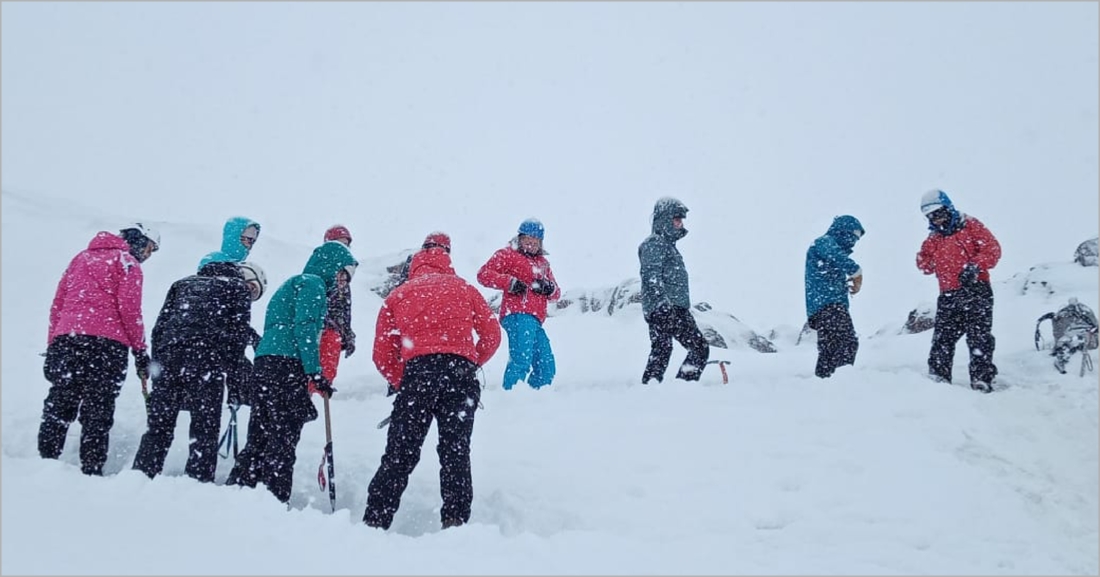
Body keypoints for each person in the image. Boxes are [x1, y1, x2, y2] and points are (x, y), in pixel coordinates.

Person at [365, 235, 501, 530]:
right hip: (460, 376)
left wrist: (403, 381)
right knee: (455, 451)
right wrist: (471, 361)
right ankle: (455, 520)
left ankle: (375, 519)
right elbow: (492, 334)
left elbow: (382, 353)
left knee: (400, 452)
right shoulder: (464, 289)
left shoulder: (399, 295)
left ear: (416, 262)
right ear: (447, 258)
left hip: (418, 375)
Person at [225, 241, 358, 503]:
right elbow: (305, 328)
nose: (344, 282)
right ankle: (274, 498)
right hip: (287, 365)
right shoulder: (313, 285)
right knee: (283, 436)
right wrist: (314, 371)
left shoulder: (294, 283)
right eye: (343, 273)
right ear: (331, 266)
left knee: (261, 431)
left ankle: (241, 489)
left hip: (267, 363)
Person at [39, 223, 160, 475]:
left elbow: (58, 304)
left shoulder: (80, 258)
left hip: (68, 339)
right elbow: (129, 310)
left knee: (61, 401)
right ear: (139, 240)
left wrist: (53, 343)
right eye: (150, 248)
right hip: (106, 346)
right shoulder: (127, 263)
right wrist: (139, 350)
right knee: (99, 408)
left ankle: (45, 463)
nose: (148, 256)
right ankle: (91, 470)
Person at [131, 261, 266, 483]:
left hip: (169, 361)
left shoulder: (182, 284)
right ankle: (197, 484)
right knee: (205, 431)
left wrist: (158, 367)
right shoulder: (236, 288)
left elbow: (160, 328)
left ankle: (140, 477)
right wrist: (234, 381)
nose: (251, 295)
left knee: (158, 429)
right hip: (207, 363)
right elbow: (237, 337)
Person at [916, 189, 1002, 392]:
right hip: (948, 294)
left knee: (978, 336)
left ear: (948, 208)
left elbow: (993, 249)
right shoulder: (934, 238)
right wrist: (931, 264)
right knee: (943, 338)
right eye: (931, 216)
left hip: (976, 291)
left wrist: (974, 266)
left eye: (938, 213)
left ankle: (982, 378)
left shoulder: (970, 225)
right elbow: (922, 262)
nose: (936, 219)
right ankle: (938, 377)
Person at [476, 219, 561, 390]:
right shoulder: (508, 255)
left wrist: (549, 288)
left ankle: (531, 400)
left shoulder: (543, 264)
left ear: (541, 242)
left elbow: (556, 294)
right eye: (527, 239)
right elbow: (483, 274)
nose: (531, 243)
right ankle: (511, 399)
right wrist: (510, 282)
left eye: (535, 240)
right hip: (517, 314)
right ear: (519, 239)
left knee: (546, 366)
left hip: (536, 320)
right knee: (521, 361)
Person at [638, 197, 710, 384]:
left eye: (681, 219)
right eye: (676, 218)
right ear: (665, 218)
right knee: (676, 347)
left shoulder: (668, 246)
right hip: (663, 307)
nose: (680, 223)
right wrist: (661, 304)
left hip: (675, 307)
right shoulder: (654, 243)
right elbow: (651, 275)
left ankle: (674, 385)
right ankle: (664, 386)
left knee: (682, 347)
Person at [804, 215, 866, 378]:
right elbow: (835, 255)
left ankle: (826, 382)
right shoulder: (823, 242)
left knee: (831, 347)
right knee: (847, 342)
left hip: (826, 306)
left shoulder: (827, 249)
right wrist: (856, 272)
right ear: (843, 231)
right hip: (828, 305)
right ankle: (838, 381)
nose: (854, 241)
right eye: (853, 235)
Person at [312, 225, 357, 396]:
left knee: (329, 368)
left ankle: (322, 391)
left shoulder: (345, 276)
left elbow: (345, 311)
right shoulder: (319, 271)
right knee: (313, 367)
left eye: (346, 244)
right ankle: (313, 394)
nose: (343, 248)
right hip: (317, 329)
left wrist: (347, 333)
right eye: (339, 243)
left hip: (333, 332)